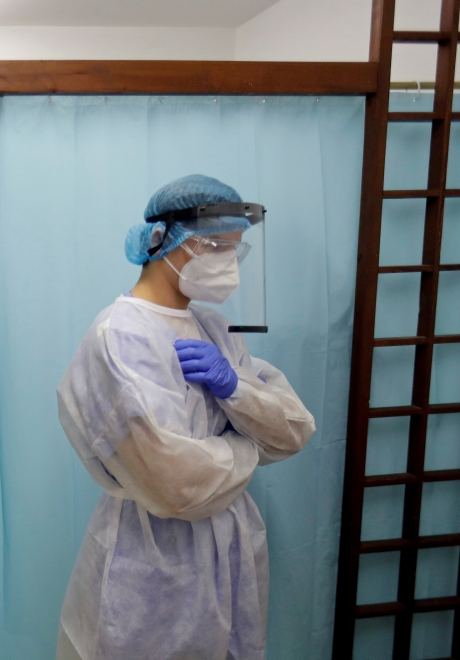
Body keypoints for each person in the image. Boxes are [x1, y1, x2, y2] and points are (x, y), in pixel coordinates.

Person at [55, 175, 316, 660]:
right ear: (165, 241)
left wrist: (237, 391)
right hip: (152, 560)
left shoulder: (214, 329)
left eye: (235, 249)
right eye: (217, 246)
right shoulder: (121, 336)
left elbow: (292, 430)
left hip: (231, 548)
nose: (227, 263)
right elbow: (174, 486)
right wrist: (244, 445)